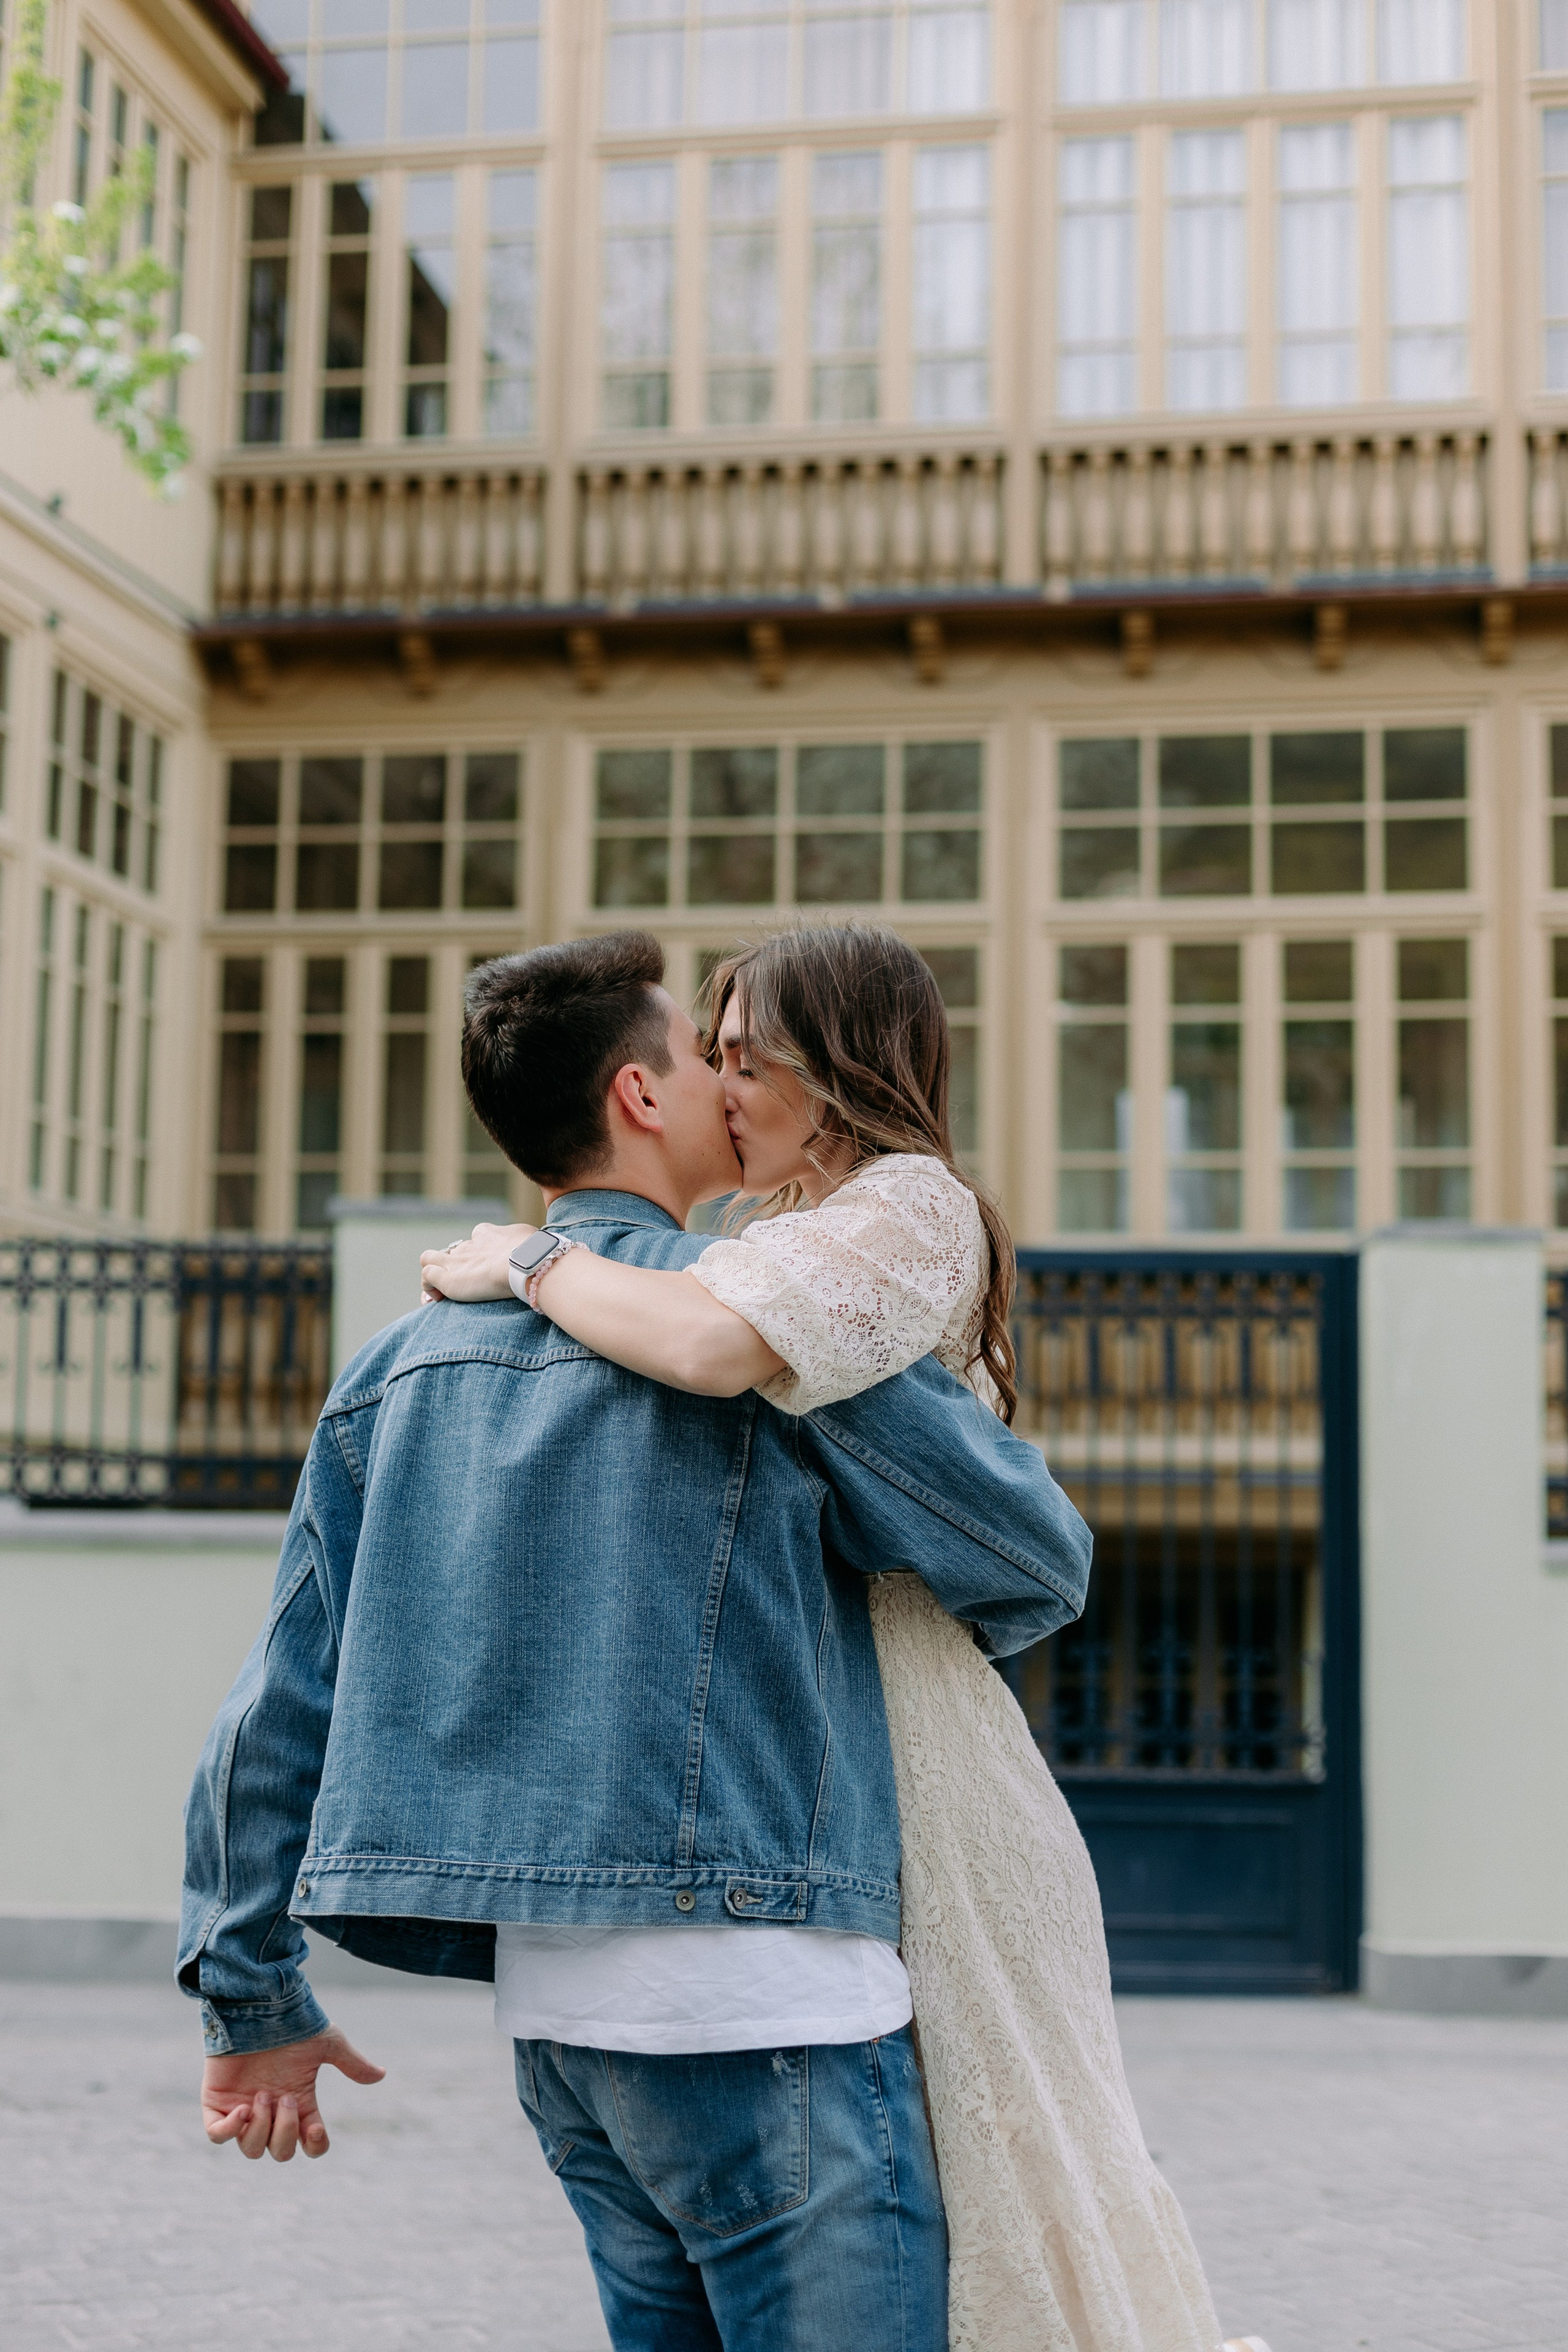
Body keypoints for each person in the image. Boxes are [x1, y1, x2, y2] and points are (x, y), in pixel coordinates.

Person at [181, 929, 1093, 2352]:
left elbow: (281, 1700)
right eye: (705, 1057)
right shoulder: (764, 1337)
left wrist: (250, 1995)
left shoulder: (400, 1364)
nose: (735, 1086)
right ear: (639, 1095)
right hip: (767, 2000)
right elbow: (1030, 1559)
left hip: (560, 2036)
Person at [424, 922, 1268, 2352]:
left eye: (748, 1059)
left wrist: (527, 1258)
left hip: (922, 1750)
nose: (723, 1088)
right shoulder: (755, 1240)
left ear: (837, 1073)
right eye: (715, 1053)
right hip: (823, 1732)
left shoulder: (907, 1207)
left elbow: (703, 1351)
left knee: (991, 2177)